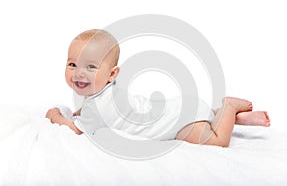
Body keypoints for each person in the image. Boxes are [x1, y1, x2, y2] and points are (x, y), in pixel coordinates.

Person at [46, 29, 270, 147]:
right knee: (207, 116)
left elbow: (74, 129)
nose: (79, 73)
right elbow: (98, 111)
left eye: (91, 67)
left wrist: (55, 115)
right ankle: (237, 118)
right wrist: (82, 112)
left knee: (217, 140)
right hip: (177, 107)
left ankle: (228, 108)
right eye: (72, 64)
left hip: (177, 123)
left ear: (112, 73)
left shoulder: (96, 108)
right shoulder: (107, 90)